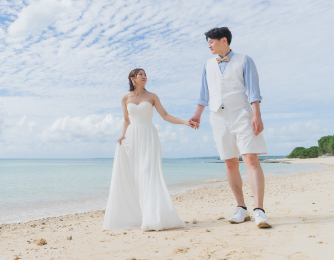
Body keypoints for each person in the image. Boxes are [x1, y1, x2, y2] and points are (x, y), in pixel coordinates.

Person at [189, 27, 271, 228]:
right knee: (230, 162)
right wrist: (197, 115)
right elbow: (204, 94)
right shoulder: (208, 65)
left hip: (242, 114)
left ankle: (259, 210)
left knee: (250, 158)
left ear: (223, 40)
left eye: (211, 42)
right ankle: (241, 208)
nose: (209, 45)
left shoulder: (245, 60)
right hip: (218, 117)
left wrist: (257, 116)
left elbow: (253, 91)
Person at [103, 68, 196, 231]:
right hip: (132, 137)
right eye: (141, 75)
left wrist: (184, 122)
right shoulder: (125, 98)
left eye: (145, 74)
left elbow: (165, 115)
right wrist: (122, 135)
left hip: (148, 136)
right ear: (132, 78)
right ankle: (137, 216)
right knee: (133, 176)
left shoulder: (152, 96)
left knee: (148, 173)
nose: (144, 77)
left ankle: (152, 217)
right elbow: (126, 120)